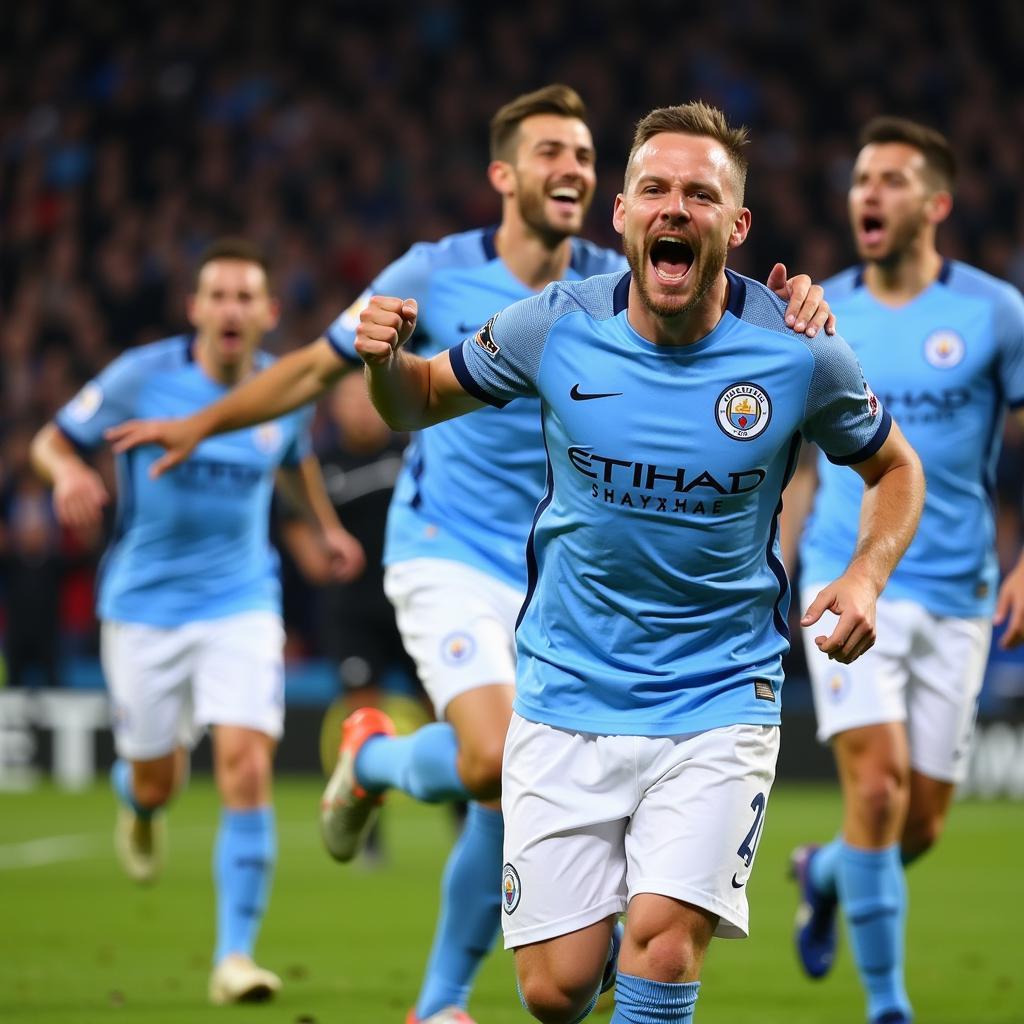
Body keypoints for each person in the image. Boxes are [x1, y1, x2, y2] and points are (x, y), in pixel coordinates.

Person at [104, 85, 837, 1024]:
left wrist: (790, 308)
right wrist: (203, 421)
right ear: (504, 175)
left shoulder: (628, 278)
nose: (570, 167)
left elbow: (729, 328)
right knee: (493, 758)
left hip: (557, 569)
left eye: (582, 152)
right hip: (445, 547)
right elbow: (315, 372)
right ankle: (374, 770)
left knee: (514, 824)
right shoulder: (438, 274)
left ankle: (443, 997)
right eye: (549, 153)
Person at [351, 100, 925, 1024]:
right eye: (653, 188)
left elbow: (895, 469)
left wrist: (863, 575)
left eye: (701, 194)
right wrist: (384, 362)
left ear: (735, 227)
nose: (673, 208)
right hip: (566, 688)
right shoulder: (553, 325)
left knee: (661, 941)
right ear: (618, 213)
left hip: (720, 695)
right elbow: (417, 399)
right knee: (554, 991)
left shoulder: (796, 349)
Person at [31, 238, 365, 1006]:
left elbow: (291, 457)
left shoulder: (282, 387)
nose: (231, 309)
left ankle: (235, 957)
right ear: (195, 309)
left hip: (242, 600)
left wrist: (322, 528)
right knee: (159, 776)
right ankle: (139, 802)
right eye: (218, 294)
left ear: (268, 313)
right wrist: (72, 471)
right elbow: (51, 441)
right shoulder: (141, 377)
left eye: (247, 297)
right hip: (143, 607)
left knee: (245, 765)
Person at [781, 117, 1024, 1024]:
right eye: (859, 179)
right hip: (852, 578)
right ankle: (889, 1006)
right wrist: (779, 568)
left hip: (959, 592)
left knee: (915, 824)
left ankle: (826, 871)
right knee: (875, 788)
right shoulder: (818, 314)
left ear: (937, 204)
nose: (868, 194)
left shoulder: (996, 314)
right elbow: (802, 464)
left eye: (890, 179)